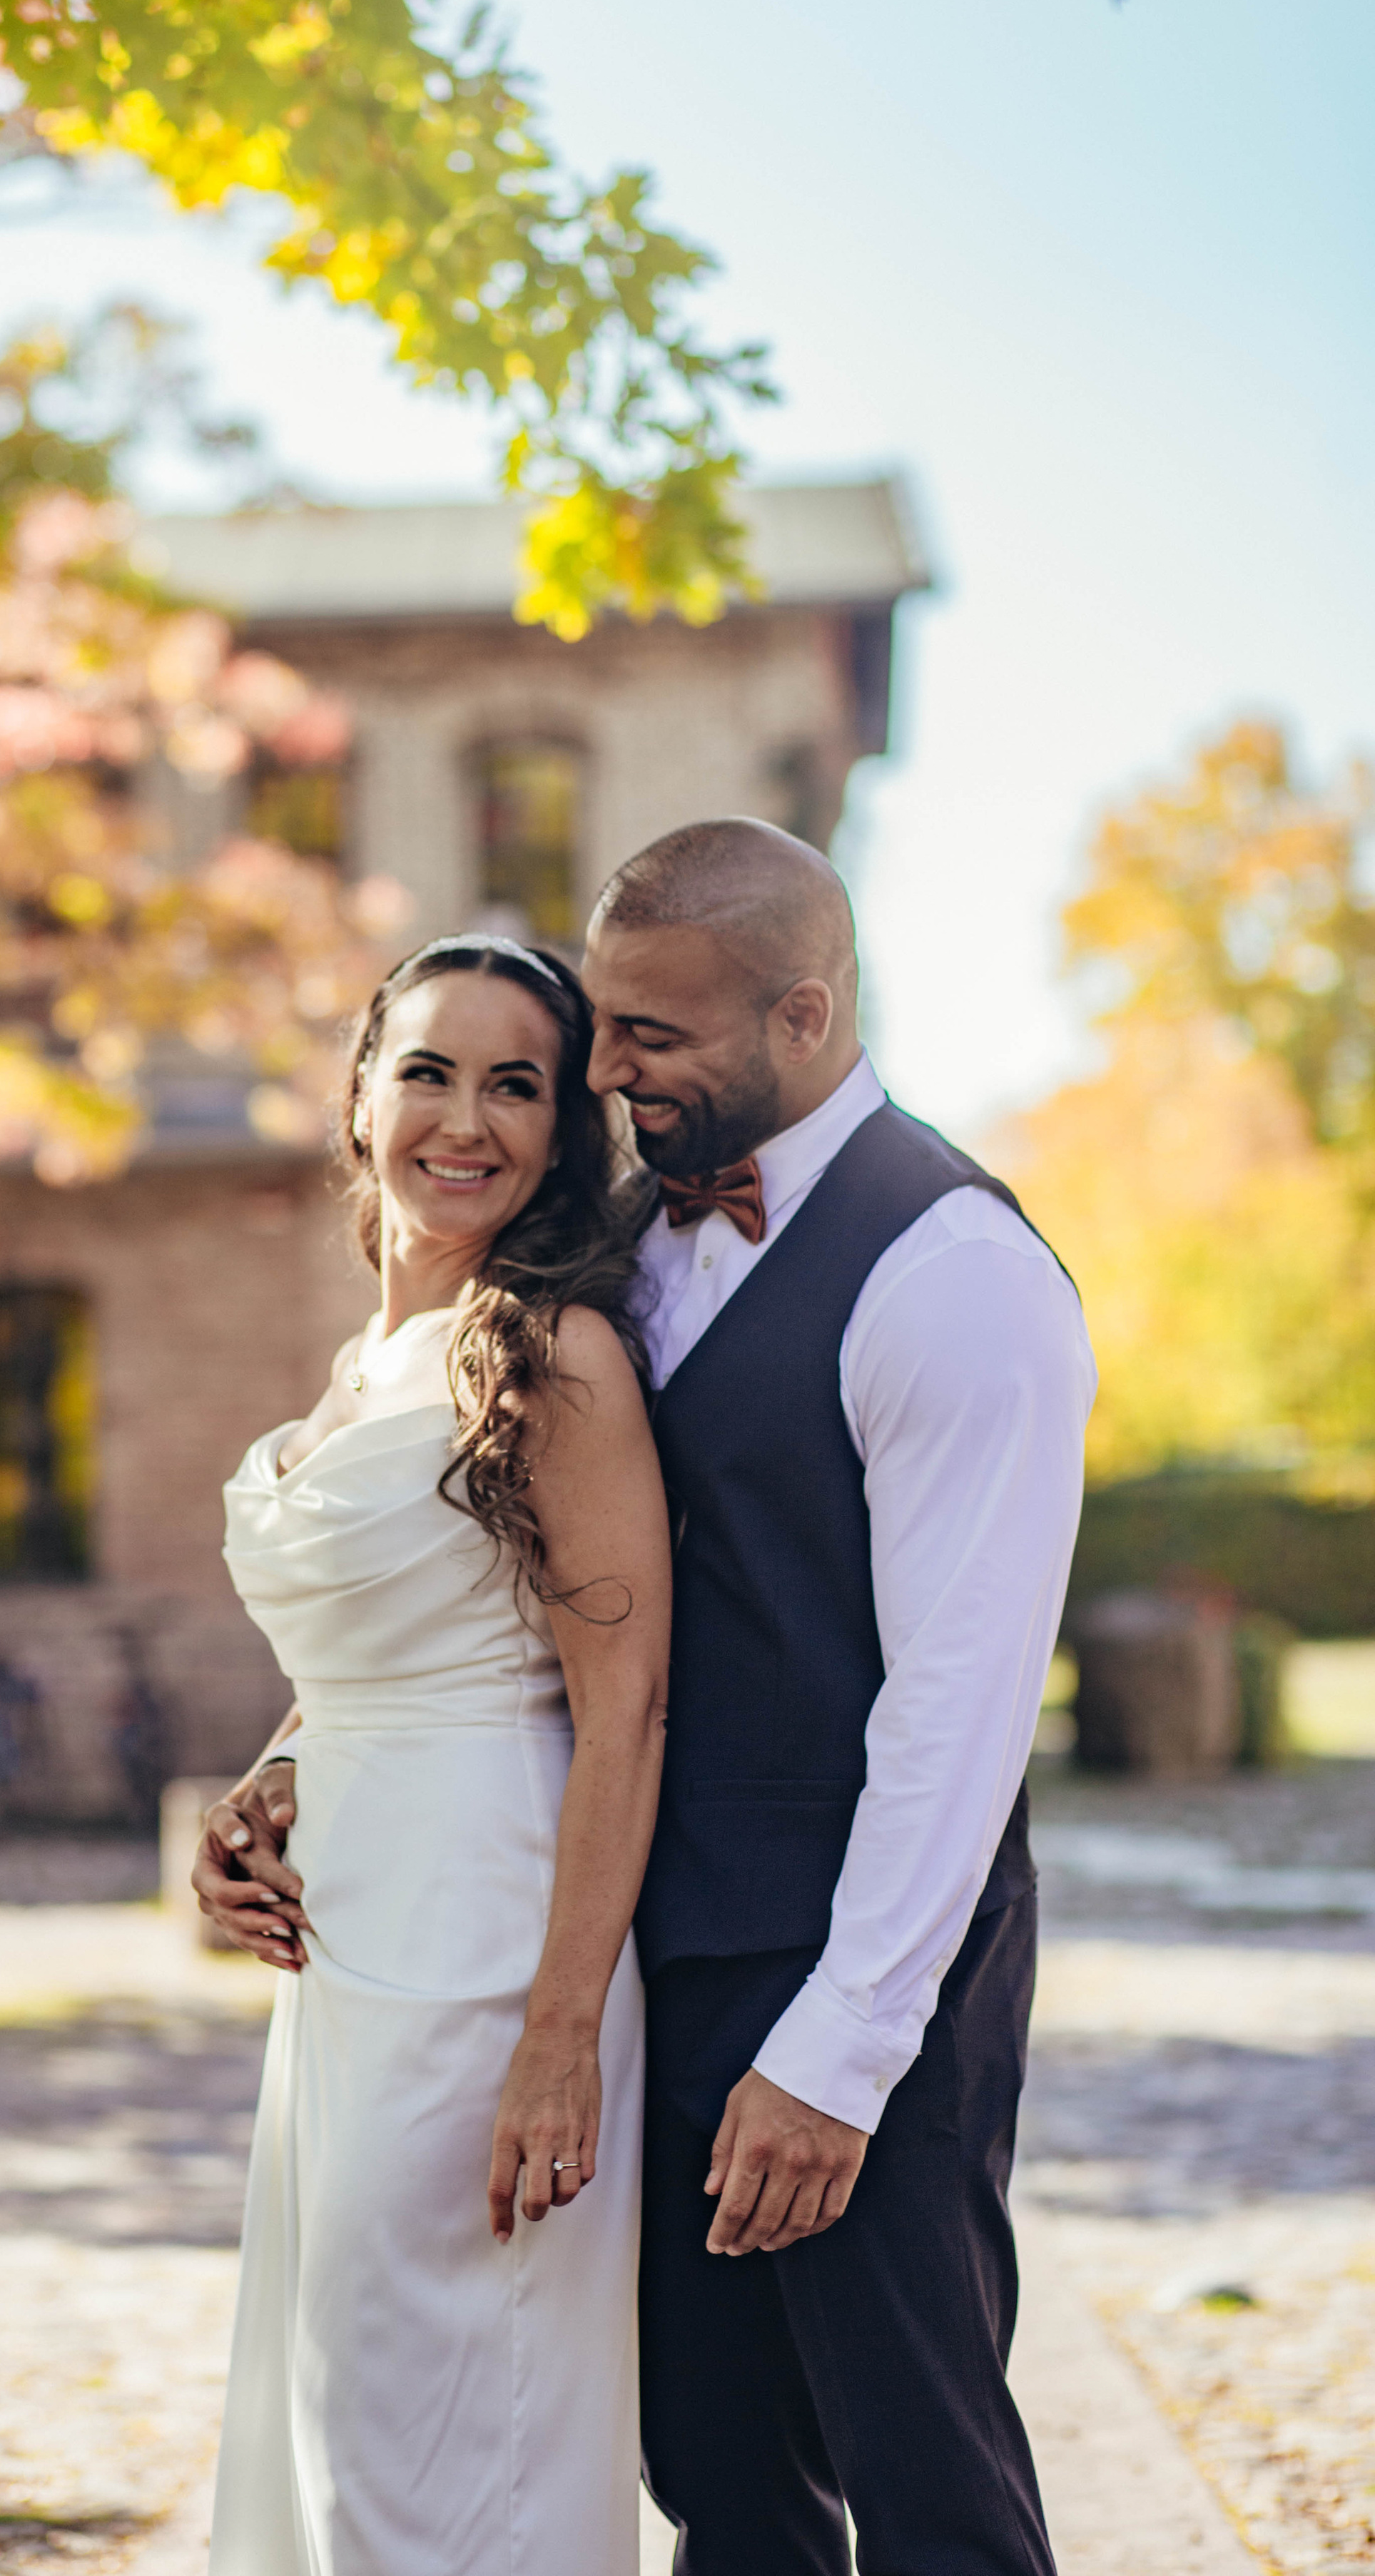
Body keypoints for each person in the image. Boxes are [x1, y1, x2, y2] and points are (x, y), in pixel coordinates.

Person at [581, 818, 1095, 2576]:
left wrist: (837, 2055)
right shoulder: (628, 1241)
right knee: (719, 2476)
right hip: (666, 1958)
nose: (605, 1071)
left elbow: (959, 1709)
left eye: (651, 1035)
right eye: (597, 1023)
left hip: (864, 1979)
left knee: (922, 2476)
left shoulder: (956, 1276)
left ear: (801, 1018)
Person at [195, 935, 672, 2576]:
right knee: (343, 2409)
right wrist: (264, 1787)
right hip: (344, 1958)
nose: (462, 1118)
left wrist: (559, 2036)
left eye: (515, 1083)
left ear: (558, 1133)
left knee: (456, 2427)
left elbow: (621, 1707)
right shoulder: (362, 1373)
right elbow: (379, 1663)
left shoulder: (555, 1359)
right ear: (358, 1097)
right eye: (426, 1069)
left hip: (491, 1944)